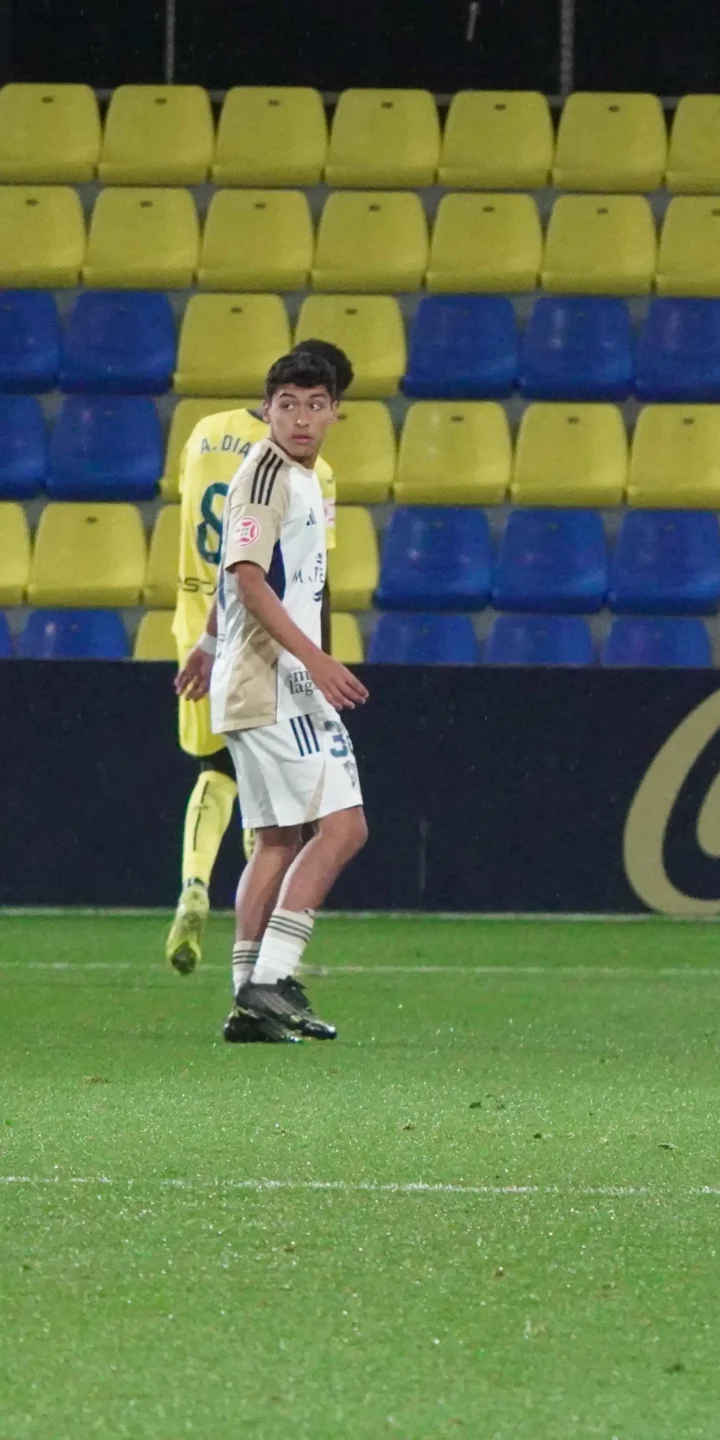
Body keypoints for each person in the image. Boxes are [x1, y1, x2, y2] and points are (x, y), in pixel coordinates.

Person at [174, 349, 369, 1043]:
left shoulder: (305, 477)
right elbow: (249, 577)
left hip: (257, 676)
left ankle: (246, 1003)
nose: (302, 417)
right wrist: (314, 658)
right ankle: (274, 978)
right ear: (268, 408)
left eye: (316, 404)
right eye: (288, 403)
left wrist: (204, 643)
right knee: (344, 828)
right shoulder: (265, 477)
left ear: (335, 409)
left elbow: (246, 579)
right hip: (273, 681)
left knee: (279, 840)